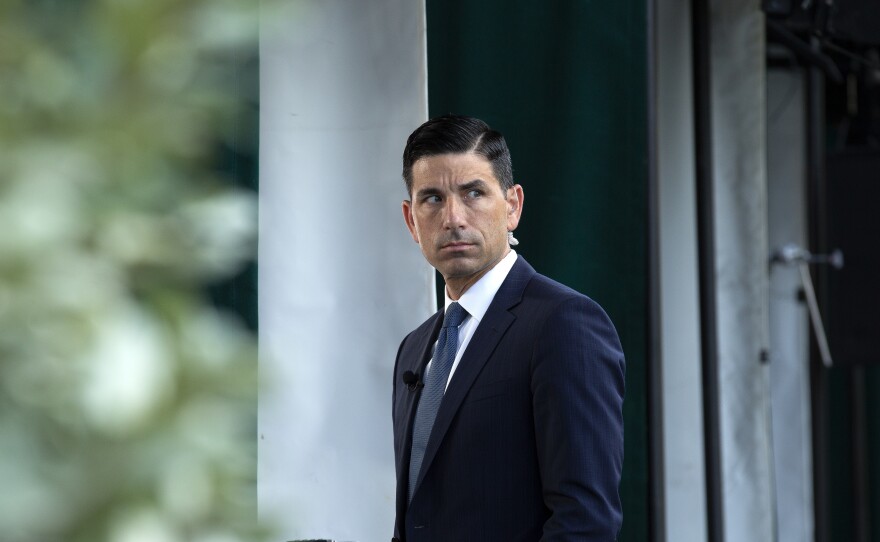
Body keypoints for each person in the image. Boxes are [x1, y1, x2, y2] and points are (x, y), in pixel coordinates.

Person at [391, 114, 625, 541]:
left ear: (513, 205)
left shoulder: (564, 324)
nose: (453, 217)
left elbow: (585, 523)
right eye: (432, 199)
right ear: (411, 221)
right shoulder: (414, 349)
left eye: (474, 192)